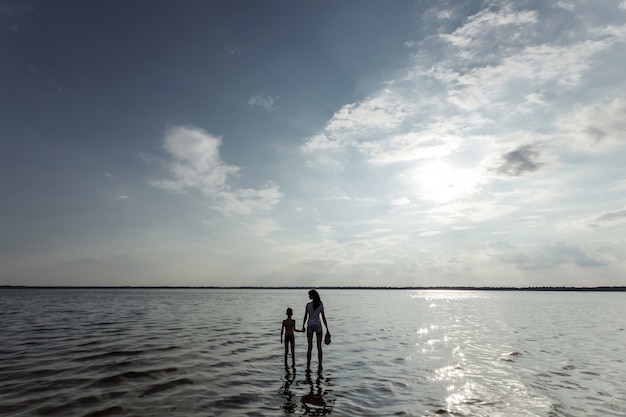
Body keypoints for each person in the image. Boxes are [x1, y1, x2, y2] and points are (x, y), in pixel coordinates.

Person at [302, 289, 329, 371]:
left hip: (310, 325)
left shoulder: (308, 305)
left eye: (309, 295)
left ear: (312, 296)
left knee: (309, 346)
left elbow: (305, 317)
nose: (309, 296)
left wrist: (303, 325)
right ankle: (320, 364)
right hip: (318, 326)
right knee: (319, 347)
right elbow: (323, 317)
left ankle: (308, 365)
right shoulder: (320, 304)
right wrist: (327, 328)